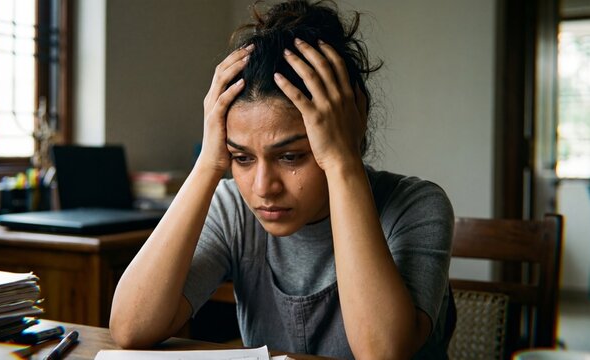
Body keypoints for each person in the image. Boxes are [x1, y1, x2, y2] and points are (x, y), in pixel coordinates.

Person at [109, 1, 454, 359]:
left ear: (350, 123)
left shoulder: (417, 206)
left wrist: (342, 161)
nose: (262, 188)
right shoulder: (233, 208)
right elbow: (131, 328)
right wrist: (209, 164)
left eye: (291, 156)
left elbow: (382, 353)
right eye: (242, 158)